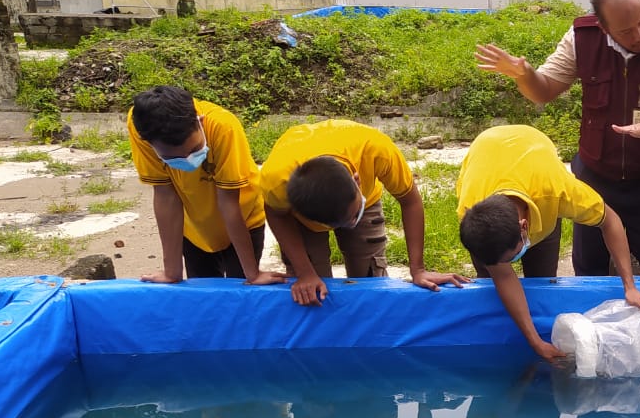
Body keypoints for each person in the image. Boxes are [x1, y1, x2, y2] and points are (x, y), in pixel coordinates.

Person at [475, 0, 640, 276]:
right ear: (604, 27)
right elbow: (544, 90)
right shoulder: (583, 37)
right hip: (595, 178)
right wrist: (524, 75)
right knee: (588, 271)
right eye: (625, 31)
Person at [457, 124, 640, 363]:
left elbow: (610, 221)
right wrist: (535, 342)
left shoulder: (558, 192)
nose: (506, 265)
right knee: (491, 286)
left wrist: (629, 286)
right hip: (485, 150)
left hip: (535, 153)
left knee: (542, 278)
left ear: (524, 227)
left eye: (510, 257)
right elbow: (503, 276)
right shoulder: (473, 211)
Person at [258, 119, 466, 306]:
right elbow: (276, 215)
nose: (348, 225)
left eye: (351, 217)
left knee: (369, 276)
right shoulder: (276, 180)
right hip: (307, 209)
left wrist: (418, 270)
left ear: (356, 180)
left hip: (363, 196)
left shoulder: (375, 149)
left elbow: (410, 201)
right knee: (311, 288)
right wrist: (304, 272)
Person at [128, 85, 285, 286]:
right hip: (193, 228)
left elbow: (229, 202)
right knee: (204, 294)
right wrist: (172, 271)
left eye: (194, 149)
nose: (187, 160)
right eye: (171, 157)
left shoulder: (222, 127)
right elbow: (165, 195)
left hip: (243, 220)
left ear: (199, 122)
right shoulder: (142, 127)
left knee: (240, 291)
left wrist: (253, 274)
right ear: (148, 143)